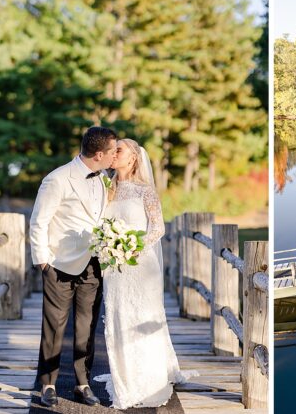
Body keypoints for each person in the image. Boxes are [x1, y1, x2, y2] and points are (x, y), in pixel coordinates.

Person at [93, 138, 195, 409]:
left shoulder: (144, 191)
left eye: (119, 150)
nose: (114, 154)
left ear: (133, 158)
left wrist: (131, 247)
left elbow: (157, 229)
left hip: (139, 264)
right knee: (118, 318)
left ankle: (148, 380)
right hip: (114, 267)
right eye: (113, 150)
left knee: (142, 316)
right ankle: (125, 379)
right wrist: (109, 245)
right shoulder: (105, 188)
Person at [29, 126, 118, 407]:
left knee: (87, 327)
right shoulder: (57, 179)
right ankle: (48, 385)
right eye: (114, 150)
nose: (116, 155)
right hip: (59, 265)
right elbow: (39, 222)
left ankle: (82, 383)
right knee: (54, 327)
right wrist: (43, 262)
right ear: (100, 153)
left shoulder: (104, 178)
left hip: (93, 264)